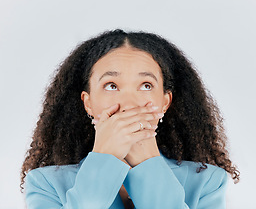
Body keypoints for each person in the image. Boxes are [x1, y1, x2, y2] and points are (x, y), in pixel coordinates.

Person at [21, 29, 239, 209]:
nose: (129, 103)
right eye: (111, 86)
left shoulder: (208, 181)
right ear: (88, 103)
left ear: (165, 102)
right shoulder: (45, 183)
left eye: (146, 85)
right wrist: (105, 157)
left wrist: (148, 163)